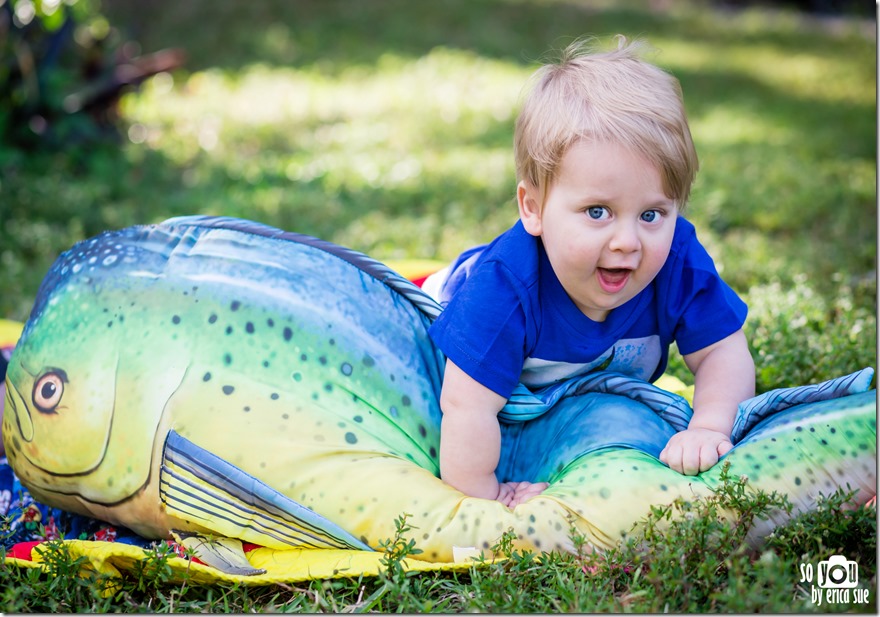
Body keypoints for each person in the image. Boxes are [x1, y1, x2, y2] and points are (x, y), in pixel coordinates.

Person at [426, 36, 755, 509]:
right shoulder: (503, 292)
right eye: (598, 211)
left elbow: (725, 351)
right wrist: (484, 492)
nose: (627, 241)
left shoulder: (676, 258)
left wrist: (708, 426)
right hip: (450, 318)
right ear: (533, 208)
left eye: (651, 215)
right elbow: (465, 406)